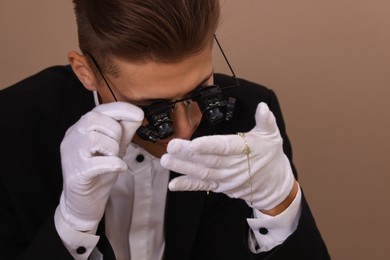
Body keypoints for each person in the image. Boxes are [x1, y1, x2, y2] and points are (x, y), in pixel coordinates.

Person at [0, 0, 330, 259]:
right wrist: (70, 227)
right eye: (152, 109)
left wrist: (281, 204)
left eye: (202, 91)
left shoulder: (252, 115)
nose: (184, 131)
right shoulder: (11, 126)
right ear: (85, 72)